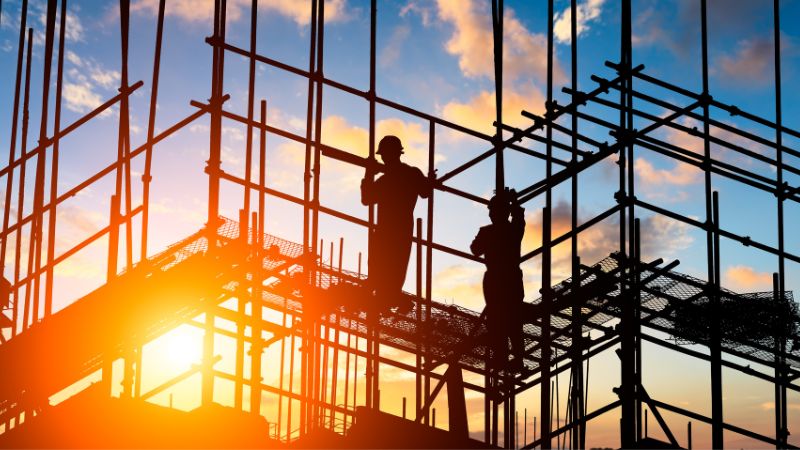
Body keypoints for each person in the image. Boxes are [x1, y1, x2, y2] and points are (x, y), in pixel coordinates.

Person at [361, 135, 431, 311]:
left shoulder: (388, 179)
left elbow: (366, 198)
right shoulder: (411, 174)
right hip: (399, 229)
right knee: (391, 266)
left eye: (385, 155)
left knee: (386, 265)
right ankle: (387, 297)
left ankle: (385, 298)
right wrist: (428, 181)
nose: (384, 158)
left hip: (389, 229)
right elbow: (425, 192)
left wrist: (368, 173)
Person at [470, 188, 525, 371]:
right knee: (504, 320)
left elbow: (476, 249)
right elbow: (475, 249)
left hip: (503, 278)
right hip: (503, 278)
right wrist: (514, 202)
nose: (492, 214)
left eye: (494, 211)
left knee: (508, 320)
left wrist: (514, 203)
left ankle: (511, 359)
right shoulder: (508, 230)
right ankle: (507, 358)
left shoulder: (498, 231)